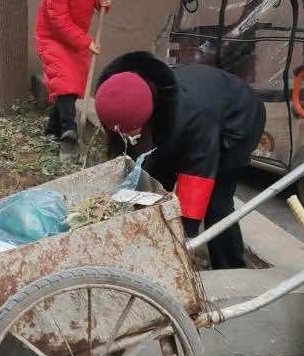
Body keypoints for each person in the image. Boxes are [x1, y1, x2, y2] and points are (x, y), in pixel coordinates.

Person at [93, 51, 266, 270]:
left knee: (216, 201)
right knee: (157, 176)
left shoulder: (194, 118)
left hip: (237, 119)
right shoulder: (127, 89)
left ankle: (230, 267)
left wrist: (183, 239)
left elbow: (197, 178)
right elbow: (141, 157)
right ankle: (155, 242)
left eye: (133, 132)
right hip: (194, 110)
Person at [35, 0, 112, 143]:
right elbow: (59, 22)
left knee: (71, 85)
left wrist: (104, 1)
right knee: (65, 80)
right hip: (52, 38)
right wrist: (86, 42)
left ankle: (52, 131)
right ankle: (69, 130)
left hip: (76, 39)